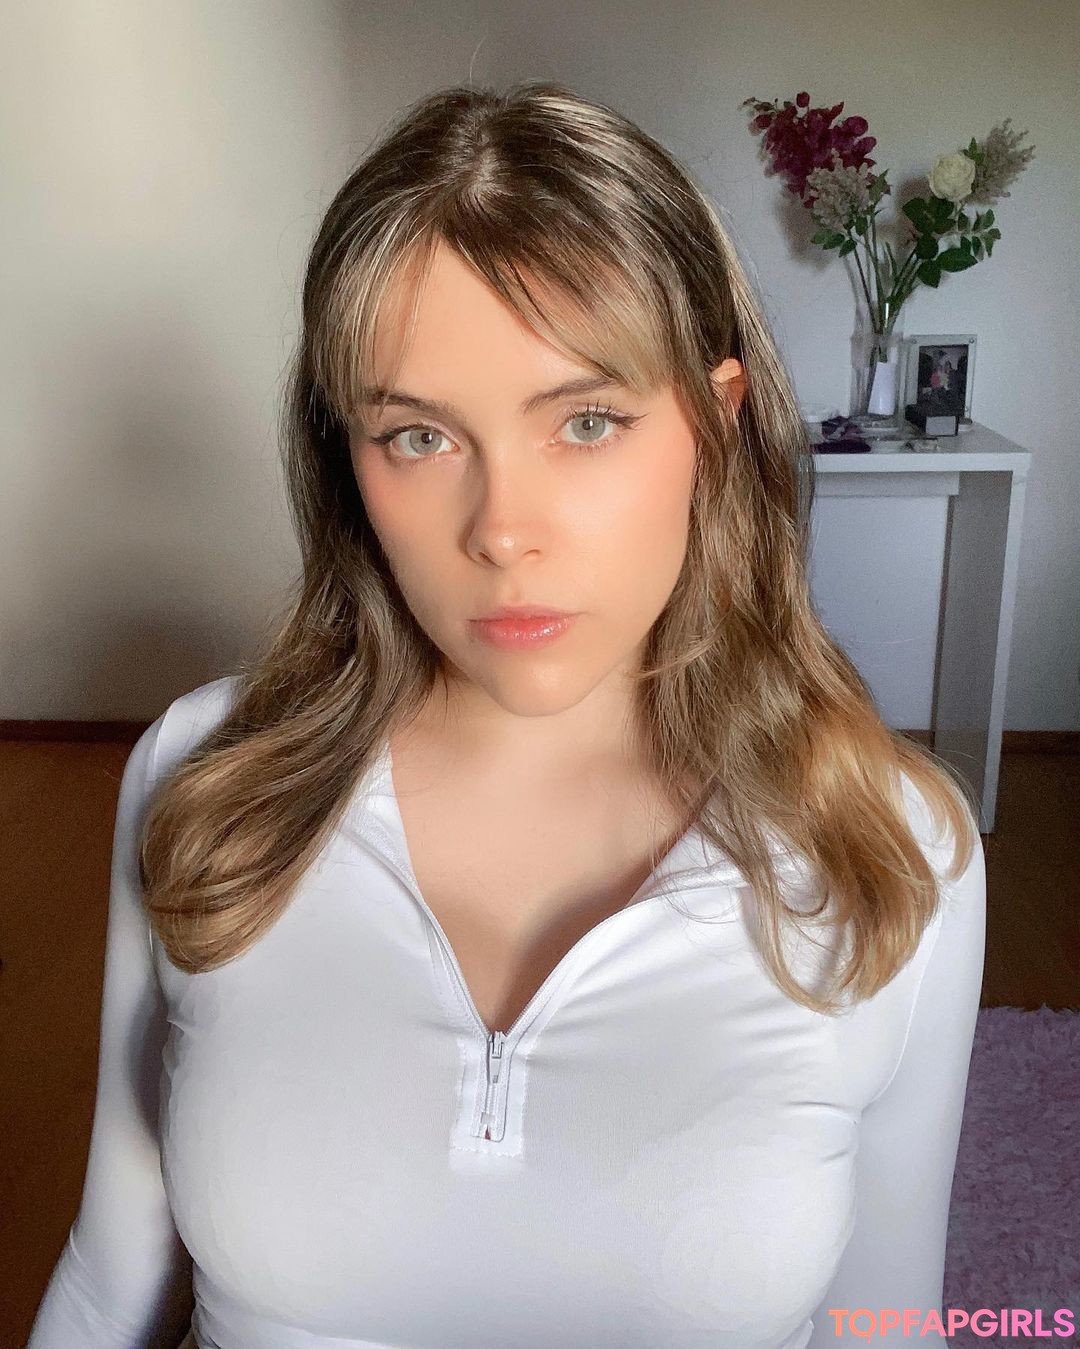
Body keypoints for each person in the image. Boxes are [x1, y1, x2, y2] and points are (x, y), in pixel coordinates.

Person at [27, 81, 986, 1349]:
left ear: (718, 419)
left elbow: (888, 1323)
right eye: (418, 437)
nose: (501, 530)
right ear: (346, 454)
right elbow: (109, 1282)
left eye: (586, 422)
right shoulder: (207, 780)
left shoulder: (890, 846)